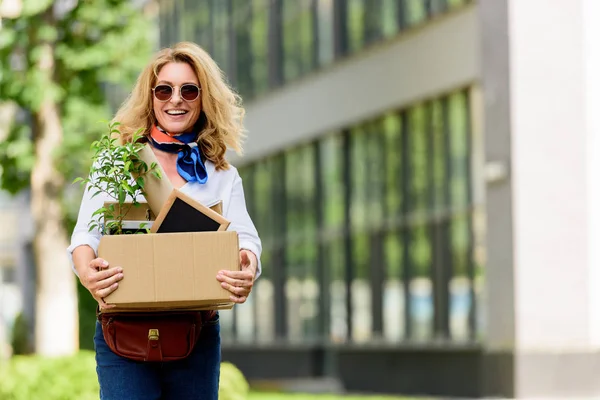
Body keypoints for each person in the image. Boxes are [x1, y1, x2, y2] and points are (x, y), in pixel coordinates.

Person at [67, 41, 262, 400]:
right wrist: (87, 273)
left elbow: (246, 240)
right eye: (164, 90)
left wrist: (246, 266)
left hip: (195, 332)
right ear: (150, 97)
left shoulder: (221, 174)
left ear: (203, 99)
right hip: (122, 327)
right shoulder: (117, 164)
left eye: (189, 90)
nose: (176, 99)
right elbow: (85, 237)